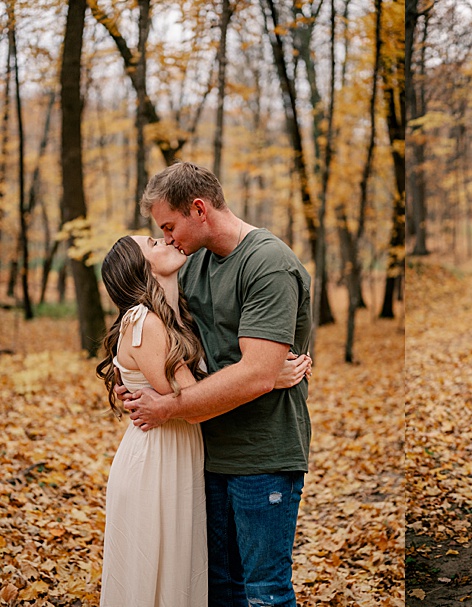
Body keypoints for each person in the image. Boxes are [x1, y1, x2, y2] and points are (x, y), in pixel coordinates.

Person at [122, 162, 312, 606]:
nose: (167, 238)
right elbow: (166, 341)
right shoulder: (194, 265)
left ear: (199, 208)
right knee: (219, 589)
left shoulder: (268, 263)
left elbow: (258, 373)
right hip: (207, 454)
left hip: (262, 454)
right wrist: (129, 380)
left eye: (169, 226)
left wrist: (170, 407)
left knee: (265, 592)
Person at [96, 234, 209, 605]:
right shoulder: (145, 322)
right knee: (159, 583)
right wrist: (266, 376)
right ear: (141, 267)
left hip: (171, 454)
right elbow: (192, 402)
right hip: (156, 464)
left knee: (173, 577)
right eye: (151, 241)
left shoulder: (167, 316)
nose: (163, 238)